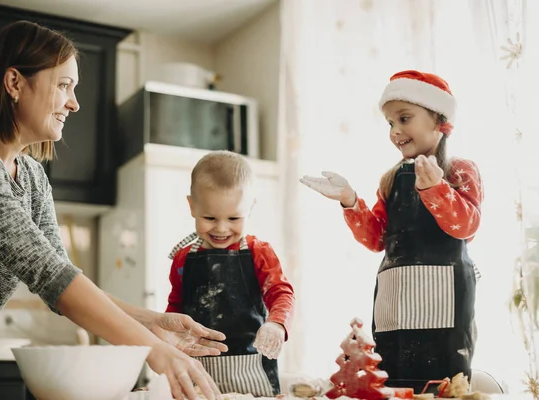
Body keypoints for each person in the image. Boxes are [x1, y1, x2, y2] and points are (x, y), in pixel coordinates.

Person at [0, 20, 227, 400]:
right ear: (14, 83)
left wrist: (152, 322)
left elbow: (61, 277)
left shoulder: (32, 178)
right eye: (63, 85)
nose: (74, 103)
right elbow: (49, 274)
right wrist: (155, 351)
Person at [300, 70, 483, 393]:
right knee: (394, 380)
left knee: (443, 384)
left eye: (404, 118)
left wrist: (436, 190)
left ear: (439, 120)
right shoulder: (391, 178)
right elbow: (376, 239)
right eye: (390, 123)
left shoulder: (459, 170)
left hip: (447, 300)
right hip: (395, 301)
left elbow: (466, 227)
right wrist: (350, 201)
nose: (395, 131)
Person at [166, 151, 295, 397]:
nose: (221, 228)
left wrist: (276, 324)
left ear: (251, 208)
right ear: (192, 206)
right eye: (210, 218)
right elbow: (175, 309)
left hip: (252, 369)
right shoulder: (183, 259)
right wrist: (169, 342)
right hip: (197, 367)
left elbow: (281, 293)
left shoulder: (259, 252)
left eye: (234, 218)